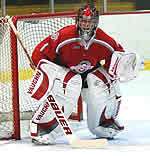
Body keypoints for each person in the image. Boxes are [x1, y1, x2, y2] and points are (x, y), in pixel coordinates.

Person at [27, 4, 140, 144]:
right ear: (78, 21)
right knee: (71, 82)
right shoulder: (64, 35)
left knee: (100, 81)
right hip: (65, 72)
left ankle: (104, 123)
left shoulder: (102, 39)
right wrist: (45, 70)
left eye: (90, 21)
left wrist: (121, 68)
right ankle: (43, 128)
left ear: (96, 23)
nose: (86, 25)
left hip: (89, 74)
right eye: (84, 21)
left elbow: (117, 55)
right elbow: (40, 52)